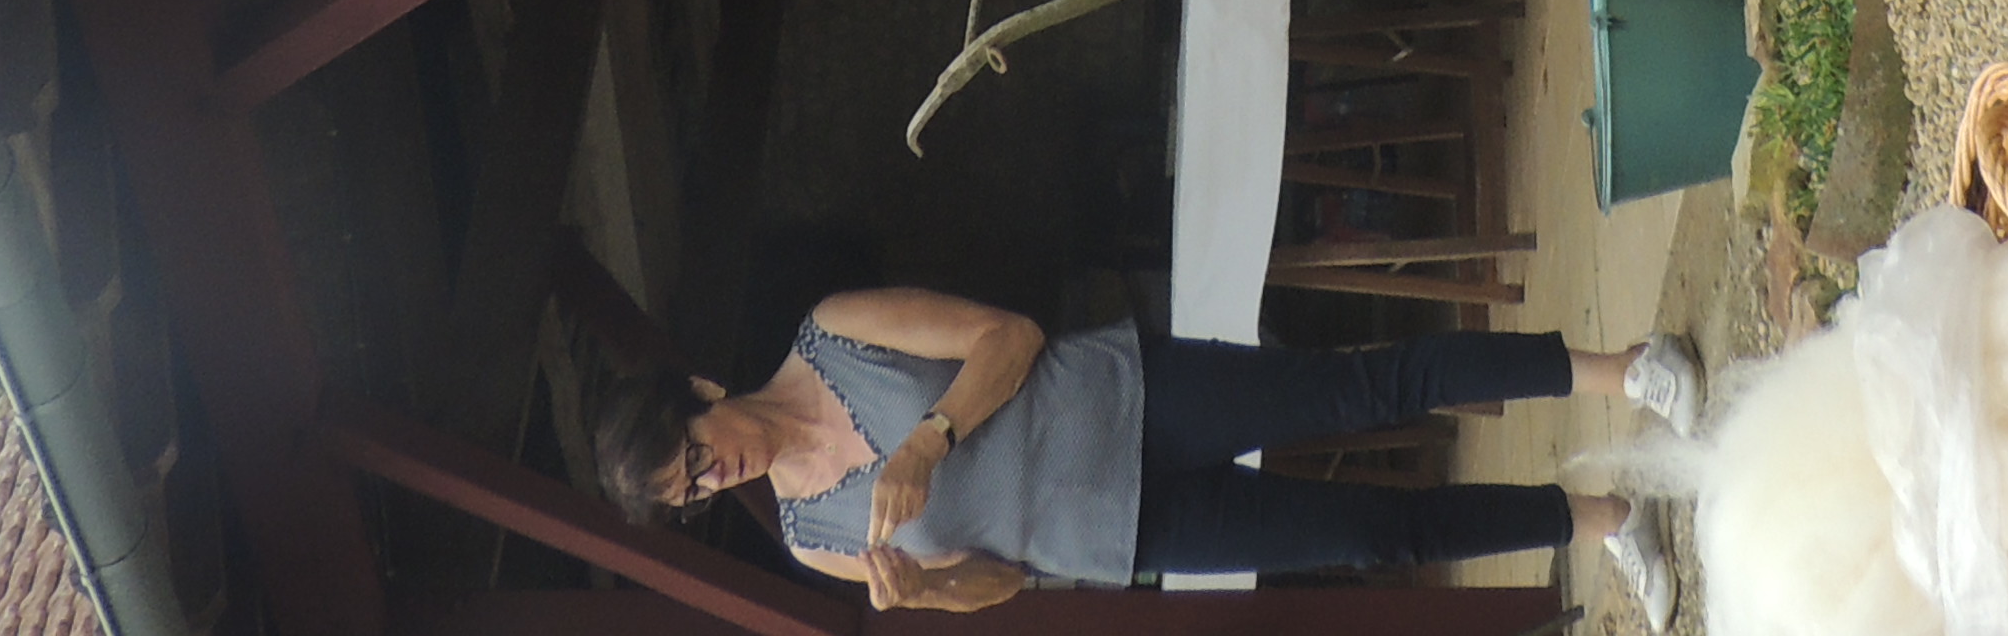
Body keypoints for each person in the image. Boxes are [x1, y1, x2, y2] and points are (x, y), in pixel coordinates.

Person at [591, 286, 1703, 618]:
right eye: (688, 495)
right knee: (1374, 533)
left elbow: (1011, 335)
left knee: (1364, 386)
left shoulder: (832, 330)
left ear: (699, 396)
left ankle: (1621, 366)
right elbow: (1006, 583)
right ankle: (1603, 520)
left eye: (691, 454)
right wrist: (925, 595)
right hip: (1120, 532)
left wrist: (930, 437)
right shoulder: (808, 535)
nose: (708, 479)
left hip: (1138, 399)